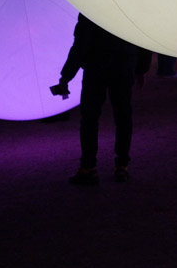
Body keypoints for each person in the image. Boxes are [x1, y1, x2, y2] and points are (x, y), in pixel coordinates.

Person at [50, 14, 149, 185]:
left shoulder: (91, 7)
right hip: (124, 64)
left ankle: (88, 167)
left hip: (96, 66)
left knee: (90, 118)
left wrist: (66, 76)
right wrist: (141, 68)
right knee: (123, 116)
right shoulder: (128, 5)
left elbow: (80, 45)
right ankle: (122, 165)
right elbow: (143, 37)